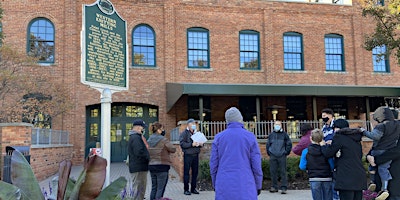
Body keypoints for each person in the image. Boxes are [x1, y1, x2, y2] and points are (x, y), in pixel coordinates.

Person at [209, 107, 263, 200]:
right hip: (246, 183)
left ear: (227, 121)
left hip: (224, 183)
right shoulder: (250, 137)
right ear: (240, 119)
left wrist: (215, 184)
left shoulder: (219, 138)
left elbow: (213, 165)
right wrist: (258, 185)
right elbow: (256, 165)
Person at [321, 119, 367, 200]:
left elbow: (328, 153)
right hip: (358, 176)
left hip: (346, 176)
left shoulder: (339, 137)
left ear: (338, 128)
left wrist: (323, 145)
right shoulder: (356, 138)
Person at [361, 106, 400, 200]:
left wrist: (375, 160)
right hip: (381, 179)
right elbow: (376, 147)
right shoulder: (386, 131)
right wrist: (369, 157)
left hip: (395, 177)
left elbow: (396, 151)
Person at [299, 128, 334, 200]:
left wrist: (308, 168)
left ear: (311, 138)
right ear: (322, 138)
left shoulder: (306, 151)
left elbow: (302, 166)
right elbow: (332, 165)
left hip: (314, 177)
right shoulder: (326, 150)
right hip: (327, 177)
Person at [147, 122, 176, 200]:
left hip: (152, 166)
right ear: (159, 130)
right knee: (160, 189)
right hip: (162, 166)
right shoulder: (163, 140)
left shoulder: (149, 139)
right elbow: (173, 149)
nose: (163, 130)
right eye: (162, 129)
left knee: (154, 187)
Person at [266, 120, 292, 194]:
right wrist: (269, 153)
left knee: (283, 172)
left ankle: (284, 187)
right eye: (276, 124)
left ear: (281, 125)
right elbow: (268, 144)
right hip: (273, 155)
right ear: (273, 125)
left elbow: (289, 144)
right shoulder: (271, 135)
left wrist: (286, 152)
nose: (277, 126)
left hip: (282, 155)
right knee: (273, 172)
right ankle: (274, 187)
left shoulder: (284, 135)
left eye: (278, 124)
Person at [128, 119, 150, 200]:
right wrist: (148, 158)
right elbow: (139, 152)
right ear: (137, 127)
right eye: (142, 128)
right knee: (139, 190)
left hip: (138, 167)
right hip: (139, 167)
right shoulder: (136, 138)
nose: (143, 129)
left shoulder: (135, 137)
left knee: (139, 190)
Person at [179, 118, 202, 195]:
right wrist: (191, 144)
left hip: (196, 155)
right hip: (188, 155)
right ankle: (186, 189)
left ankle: (193, 188)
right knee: (186, 172)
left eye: (194, 124)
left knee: (195, 172)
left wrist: (201, 144)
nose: (194, 125)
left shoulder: (197, 133)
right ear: (188, 125)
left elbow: (201, 142)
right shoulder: (184, 133)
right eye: (192, 124)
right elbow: (182, 144)